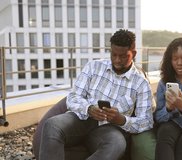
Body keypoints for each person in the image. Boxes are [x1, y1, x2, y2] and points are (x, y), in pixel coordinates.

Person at [39, 29, 154, 160]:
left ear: (133, 53)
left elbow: (147, 121)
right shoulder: (93, 66)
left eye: (123, 56)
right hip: (82, 119)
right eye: (113, 54)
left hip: (110, 129)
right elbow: (73, 97)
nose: (117, 60)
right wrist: (89, 109)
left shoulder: (141, 83)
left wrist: (121, 119)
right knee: (52, 125)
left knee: (116, 144)